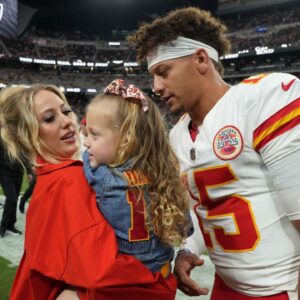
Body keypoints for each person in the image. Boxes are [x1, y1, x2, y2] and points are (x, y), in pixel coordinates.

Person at [128, 6, 300, 300]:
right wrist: (187, 250)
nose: (156, 86)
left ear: (200, 59)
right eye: (153, 75)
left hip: (281, 288)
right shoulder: (179, 135)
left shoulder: (264, 98)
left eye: (163, 72)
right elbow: (204, 212)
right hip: (226, 287)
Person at [0, 84, 178, 300]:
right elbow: (102, 272)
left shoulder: (53, 177)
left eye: (65, 110)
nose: (67, 121)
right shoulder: (70, 180)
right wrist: (162, 276)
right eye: (49, 118)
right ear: (25, 135)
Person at [82, 78, 192, 274]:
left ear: (125, 140)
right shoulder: (165, 172)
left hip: (125, 277)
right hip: (162, 276)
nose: (87, 143)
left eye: (94, 135)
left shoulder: (102, 176)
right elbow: (186, 229)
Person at [0, 138, 24, 237]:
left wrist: (29, 170)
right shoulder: (2, 136)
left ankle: (11, 225)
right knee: (12, 199)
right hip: (5, 172)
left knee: (14, 199)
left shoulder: (18, 136)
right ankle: (3, 226)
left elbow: (23, 155)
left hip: (19, 172)